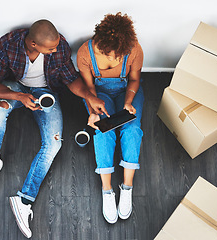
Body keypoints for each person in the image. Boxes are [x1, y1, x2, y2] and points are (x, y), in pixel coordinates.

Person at [0, 19, 108, 238]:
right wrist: (18, 96)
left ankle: (24, 199)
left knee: (54, 142)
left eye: (56, 46)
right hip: (16, 88)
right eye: (51, 48)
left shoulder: (61, 47)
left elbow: (70, 79)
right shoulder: (8, 45)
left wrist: (89, 96)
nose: (57, 50)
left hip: (46, 92)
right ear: (33, 44)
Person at [76, 12, 144, 223]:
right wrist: (94, 110)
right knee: (103, 130)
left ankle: (127, 187)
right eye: (106, 52)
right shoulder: (84, 53)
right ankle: (107, 190)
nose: (112, 59)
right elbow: (88, 87)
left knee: (132, 129)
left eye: (116, 55)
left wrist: (129, 101)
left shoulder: (134, 49)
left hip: (127, 90)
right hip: (98, 92)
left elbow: (134, 79)